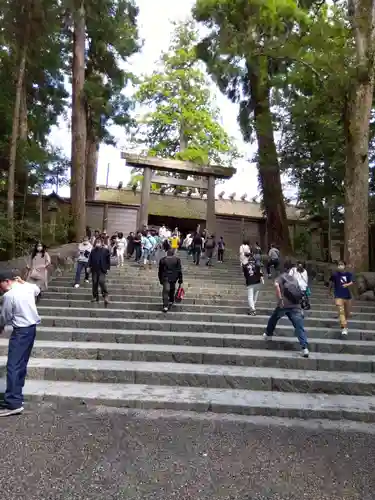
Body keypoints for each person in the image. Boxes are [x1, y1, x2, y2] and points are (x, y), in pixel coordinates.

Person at [0, 272, 41, 417]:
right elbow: (37, 289)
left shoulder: (8, 296)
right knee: (21, 364)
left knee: (13, 365)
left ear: (6, 281)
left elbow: (5, 316)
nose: (0, 289)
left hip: (21, 332)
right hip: (31, 330)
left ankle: (13, 403)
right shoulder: (26, 288)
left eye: (0, 285)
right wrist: (25, 282)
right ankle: (17, 396)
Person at [264, 260, 309, 358]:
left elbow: (276, 286)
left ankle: (268, 334)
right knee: (299, 326)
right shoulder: (294, 279)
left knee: (274, 318)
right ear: (291, 269)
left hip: (284, 304)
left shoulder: (281, 277)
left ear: (283, 268)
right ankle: (304, 348)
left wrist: (280, 299)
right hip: (296, 306)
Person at [329, 261, 354, 336]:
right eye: (339, 265)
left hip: (347, 296)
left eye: (341, 264)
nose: (340, 266)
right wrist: (329, 291)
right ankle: (344, 328)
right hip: (338, 296)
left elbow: (352, 282)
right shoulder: (335, 275)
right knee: (341, 312)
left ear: (344, 266)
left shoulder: (348, 274)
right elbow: (331, 283)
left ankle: (343, 324)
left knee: (347, 313)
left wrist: (347, 284)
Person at [87, 238, 111, 306]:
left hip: (102, 269)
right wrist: (88, 266)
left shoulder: (105, 250)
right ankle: (95, 297)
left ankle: (106, 295)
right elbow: (90, 259)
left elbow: (108, 260)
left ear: (102, 243)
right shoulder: (93, 251)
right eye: (96, 242)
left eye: (99, 242)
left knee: (101, 281)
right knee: (94, 283)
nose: (97, 243)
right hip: (94, 269)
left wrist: (108, 268)